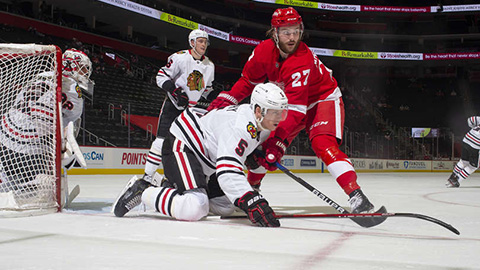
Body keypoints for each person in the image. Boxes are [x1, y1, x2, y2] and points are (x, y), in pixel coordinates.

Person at [207, 7, 375, 213]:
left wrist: (277, 143)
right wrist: (227, 98)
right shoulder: (262, 52)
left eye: (296, 31)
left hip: (322, 100)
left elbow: (297, 111)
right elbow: (247, 81)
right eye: (286, 32)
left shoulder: (301, 60)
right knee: (261, 143)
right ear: (274, 32)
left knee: (322, 143)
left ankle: (356, 194)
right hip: (291, 104)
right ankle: (253, 188)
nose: (293, 37)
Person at [113, 83, 288, 227]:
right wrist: (251, 200)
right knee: (195, 208)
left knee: (226, 206)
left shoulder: (261, 126)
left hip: (205, 159)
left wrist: (252, 157)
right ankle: (144, 190)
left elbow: (237, 151)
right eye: (274, 112)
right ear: (258, 110)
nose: (279, 117)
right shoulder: (240, 126)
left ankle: (168, 187)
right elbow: (227, 170)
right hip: (184, 144)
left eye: (281, 112)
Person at [143, 29, 215, 185]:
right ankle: (147, 178)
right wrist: (174, 91)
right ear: (192, 43)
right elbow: (161, 76)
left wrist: (209, 99)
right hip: (173, 106)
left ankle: (192, 179)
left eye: (205, 42)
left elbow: (207, 88)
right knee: (161, 142)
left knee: (193, 146)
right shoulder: (179, 57)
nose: (204, 44)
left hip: (192, 111)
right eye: (200, 41)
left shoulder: (210, 65)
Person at [60, 48, 94, 170]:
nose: (85, 72)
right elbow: (69, 123)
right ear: (71, 65)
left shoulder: (44, 75)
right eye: (83, 67)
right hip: (37, 145)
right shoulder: (72, 89)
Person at [446, 116, 480, 187]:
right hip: (475, 144)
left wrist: (473, 127)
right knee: (473, 166)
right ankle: (457, 180)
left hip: (467, 139)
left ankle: (452, 177)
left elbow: (470, 120)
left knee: (463, 161)